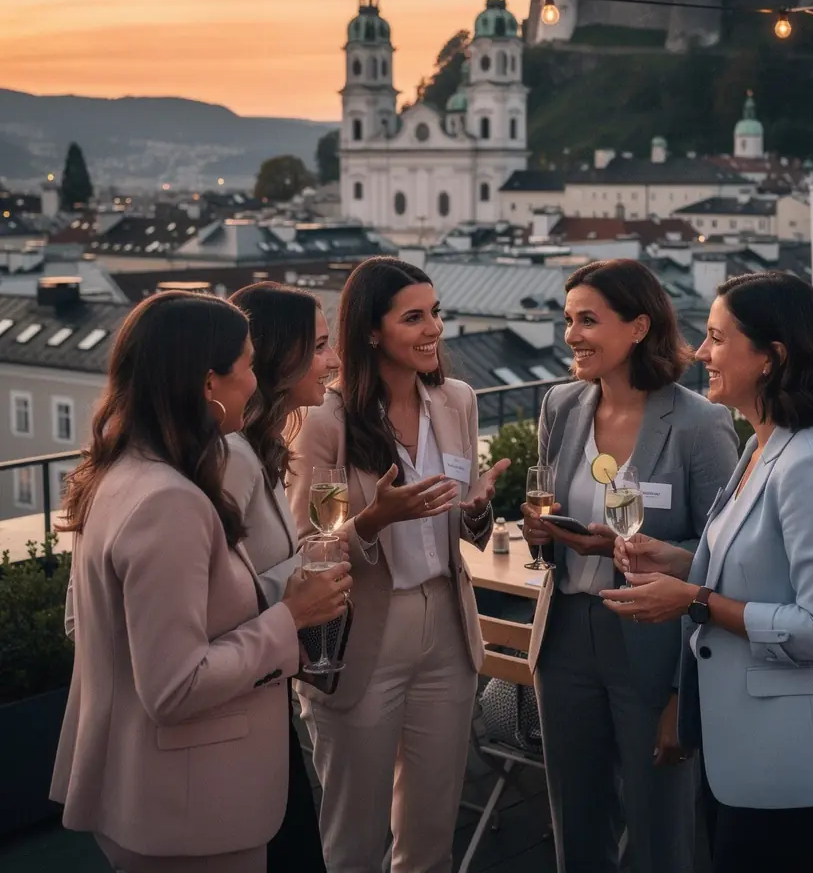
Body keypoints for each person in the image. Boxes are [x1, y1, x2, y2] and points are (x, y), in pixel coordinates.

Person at [51, 291, 349, 873]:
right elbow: (175, 687)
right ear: (209, 383)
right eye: (246, 367)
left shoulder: (120, 472)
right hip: (190, 806)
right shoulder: (170, 500)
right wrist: (290, 617)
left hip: (146, 789)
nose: (254, 383)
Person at [602, 271, 813, 873]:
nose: (699, 352)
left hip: (786, 759)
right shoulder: (764, 444)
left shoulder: (812, 463)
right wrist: (677, 559)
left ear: (771, 357)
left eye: (715, 337)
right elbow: (759, 569)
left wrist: (693, 599)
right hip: (746, 749)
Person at [287, 257, 510, 873]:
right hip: (364, 634)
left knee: (432, 832)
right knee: (354, 839)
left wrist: (475, 514)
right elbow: (305, 549)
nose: (433, 328)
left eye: (435, 312)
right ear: (369, 331)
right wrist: (374, 520)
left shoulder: (457, 401)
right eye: (413, 317)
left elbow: (462, 524)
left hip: (447, 625)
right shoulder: (323, 423)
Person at [521, 259, 738, 873]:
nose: (571, 335)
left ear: (639, 326)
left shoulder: (701, 423)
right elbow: (550, 526)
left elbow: (724, 555)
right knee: (576, 820)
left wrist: (678, 689)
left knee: (658, 826)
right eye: (568, 320)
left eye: (588, 320)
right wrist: (547, 534)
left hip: (657, 643)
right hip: (565, 634)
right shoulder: (560, 406)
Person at [224, 282, 351, 873]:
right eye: (321, 347)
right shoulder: (231, 457)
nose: (333, 362)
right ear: (279, 357)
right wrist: (300, 588)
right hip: (235, 703)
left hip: (260, 694)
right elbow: (218, 592)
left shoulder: (264, 443)